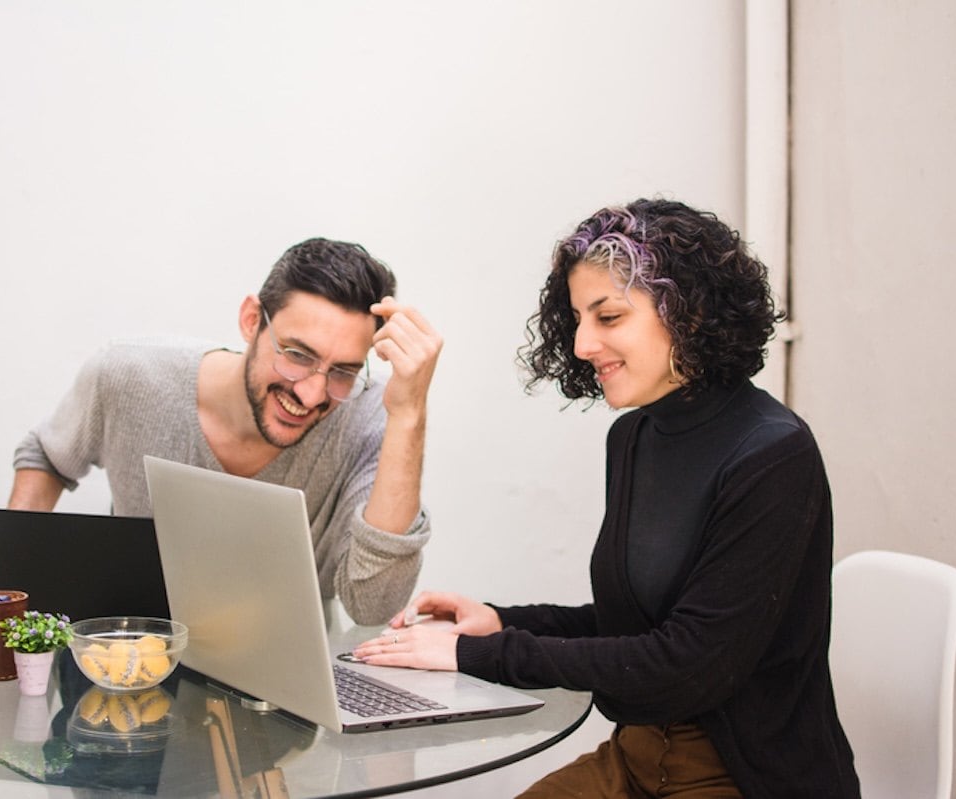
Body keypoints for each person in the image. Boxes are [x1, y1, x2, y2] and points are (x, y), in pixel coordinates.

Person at [353, 199, 860, 797]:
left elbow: (686, 665)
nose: (584, 343)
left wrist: (476, 657)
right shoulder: (634, 437)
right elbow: (635, 626)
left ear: (689, 314)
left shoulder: (773, 456)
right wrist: (500, 624)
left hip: (744, 778)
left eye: (609, 316)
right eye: (577, 319)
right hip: (638, 758)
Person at [10, 237, 442, 625]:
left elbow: (373, 605)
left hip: (279, 677)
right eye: (296, 354)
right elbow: (48, 455)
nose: (312, 394)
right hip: (129, 651)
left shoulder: (371, 417)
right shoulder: (128, 375)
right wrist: (11, 597)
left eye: (343, 372)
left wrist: (409, 415)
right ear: (252, 320)